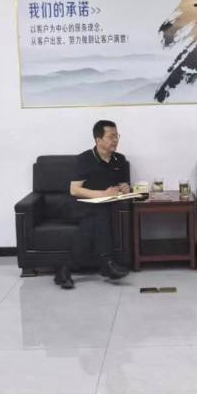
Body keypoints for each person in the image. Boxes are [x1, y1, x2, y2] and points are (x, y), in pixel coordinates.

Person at [56, 121, 131, 290]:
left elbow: (121, 184)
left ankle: (65, 269)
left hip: (99, 207)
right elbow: (74, 190)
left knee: (95, 217)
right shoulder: (85, 159)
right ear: (98, 140)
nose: (115, 140)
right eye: (111, 137)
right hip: (76, 205)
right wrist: (103, 194)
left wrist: (125, 187)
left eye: (117, 136)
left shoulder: (119, 159)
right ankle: (107, 263)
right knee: (99, 212)